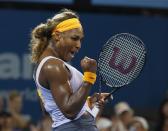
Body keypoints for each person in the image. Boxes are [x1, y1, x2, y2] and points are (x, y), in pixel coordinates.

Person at [30, 8, 109, 131]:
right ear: (57, 35)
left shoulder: (46, 65)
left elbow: (48, 108)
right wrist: (89, 77)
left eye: (80, 40)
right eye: (74, 38)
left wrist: (87, 102)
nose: (78, 45)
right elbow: (69, 111)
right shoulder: (53, 66)